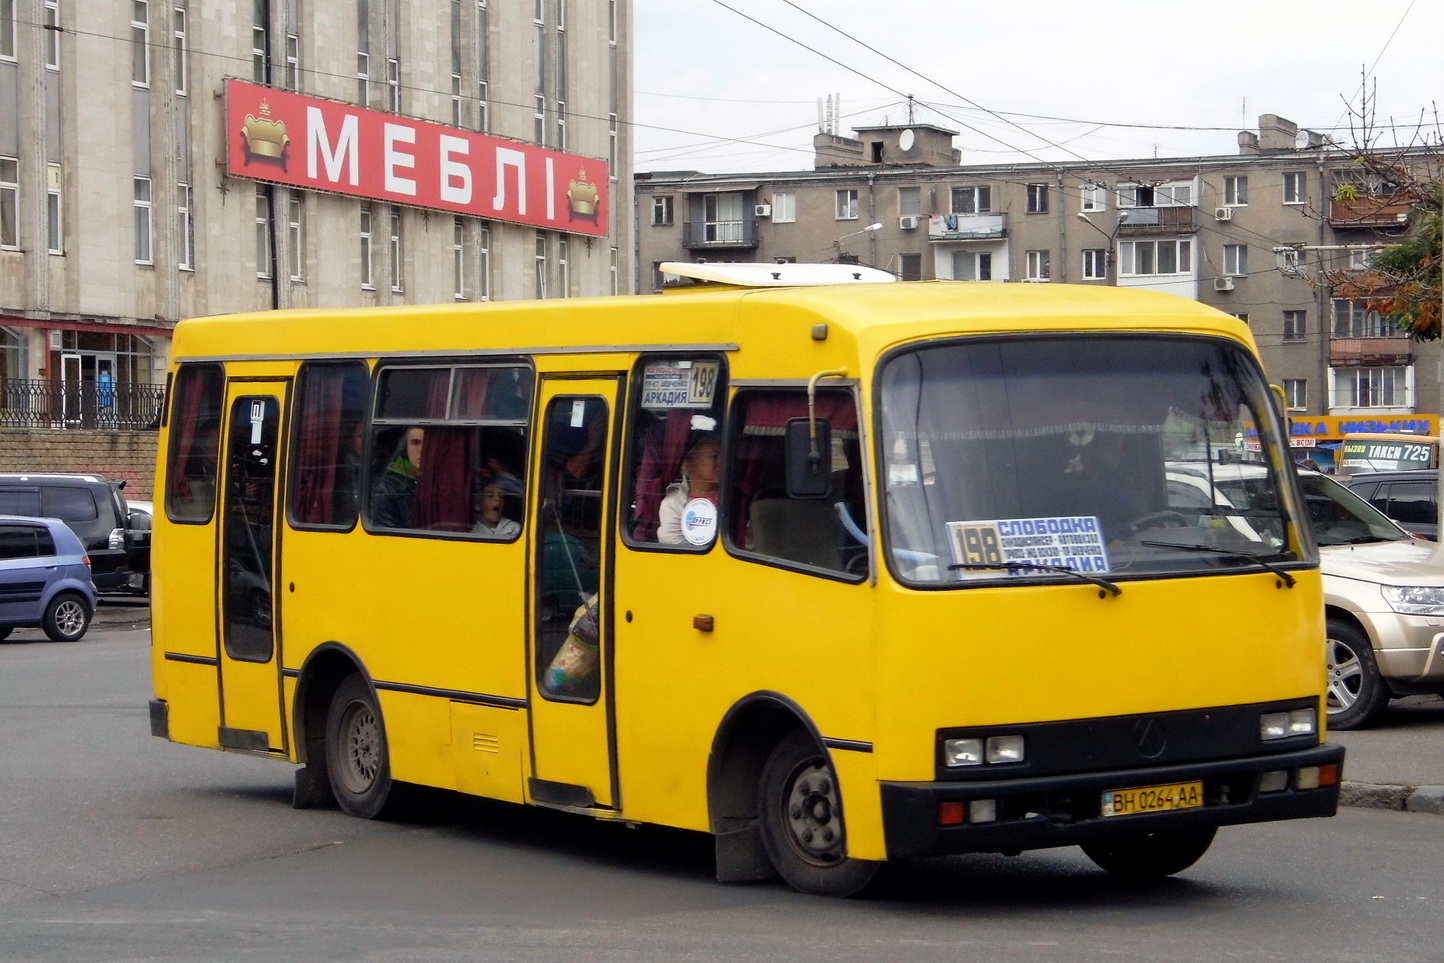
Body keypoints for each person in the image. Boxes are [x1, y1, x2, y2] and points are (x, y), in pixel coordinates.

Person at [658, 435, 720, 545]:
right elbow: (674, 547)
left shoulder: (736, 499)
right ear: (690, 462)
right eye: (714, 457)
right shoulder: (673, 504)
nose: (721, 462)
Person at [371, 426, 423, 528]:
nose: (421, 450)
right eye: (415, 443)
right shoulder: (387, 488)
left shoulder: (442, 482)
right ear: (405, 448)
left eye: (428, 443)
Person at [471, 471, 521, 537]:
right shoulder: (473, 533)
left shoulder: (514, 529)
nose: (498, 499)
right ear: (479, 503)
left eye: (501, 496)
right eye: (490, 496)